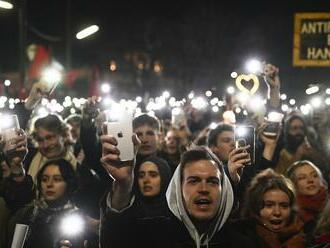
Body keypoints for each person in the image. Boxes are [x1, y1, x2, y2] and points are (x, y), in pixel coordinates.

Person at [99, 133, 254, 247]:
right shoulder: (151, 236)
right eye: (193, 181)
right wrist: (123, 185)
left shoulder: (243, 245)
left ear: (224, 190)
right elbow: (114, 241)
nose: (204, 189)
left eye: (213, 181)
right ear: (178, 189)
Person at [8, 159, 98, 248]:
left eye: (57, 179)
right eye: (44, 179)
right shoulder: (27, 214)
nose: (49, 184)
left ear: (69, 183)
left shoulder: (79, 218)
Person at [238, 168, 306, 248]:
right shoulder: (240, 238)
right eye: (269, 205)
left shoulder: (305, 239)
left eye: (284, 206)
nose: (277, 212)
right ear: (255, 207)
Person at [286, 160, 328, 240]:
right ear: (293, 184)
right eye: (302, 178)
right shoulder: (292, 216)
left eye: (315, 175)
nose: (310, 180)